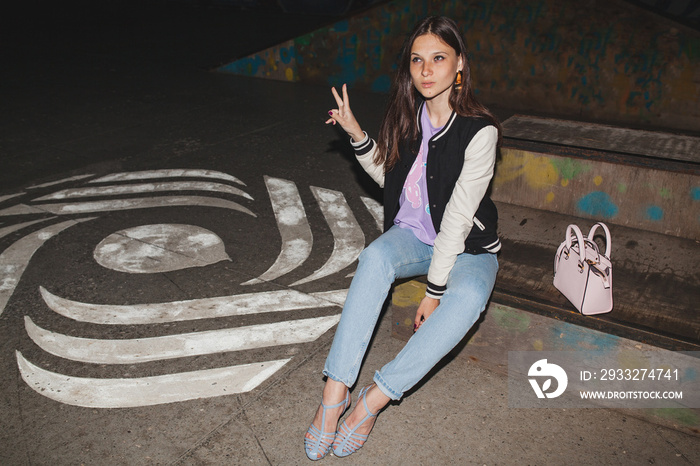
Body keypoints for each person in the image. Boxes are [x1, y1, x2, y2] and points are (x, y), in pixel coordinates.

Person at [304, 15, 502, 460]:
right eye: (417, 60)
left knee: (468, 298)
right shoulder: (407, 116)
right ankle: (334, 399)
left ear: (460, 66)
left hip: (468, 247)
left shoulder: (480, 131)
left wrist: (433, 291)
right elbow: (391, 178)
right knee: (375, 257)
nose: (426, 70)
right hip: (414, 236)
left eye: (438, 58)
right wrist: (356, 132)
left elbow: (456, 217)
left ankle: (373, 401)